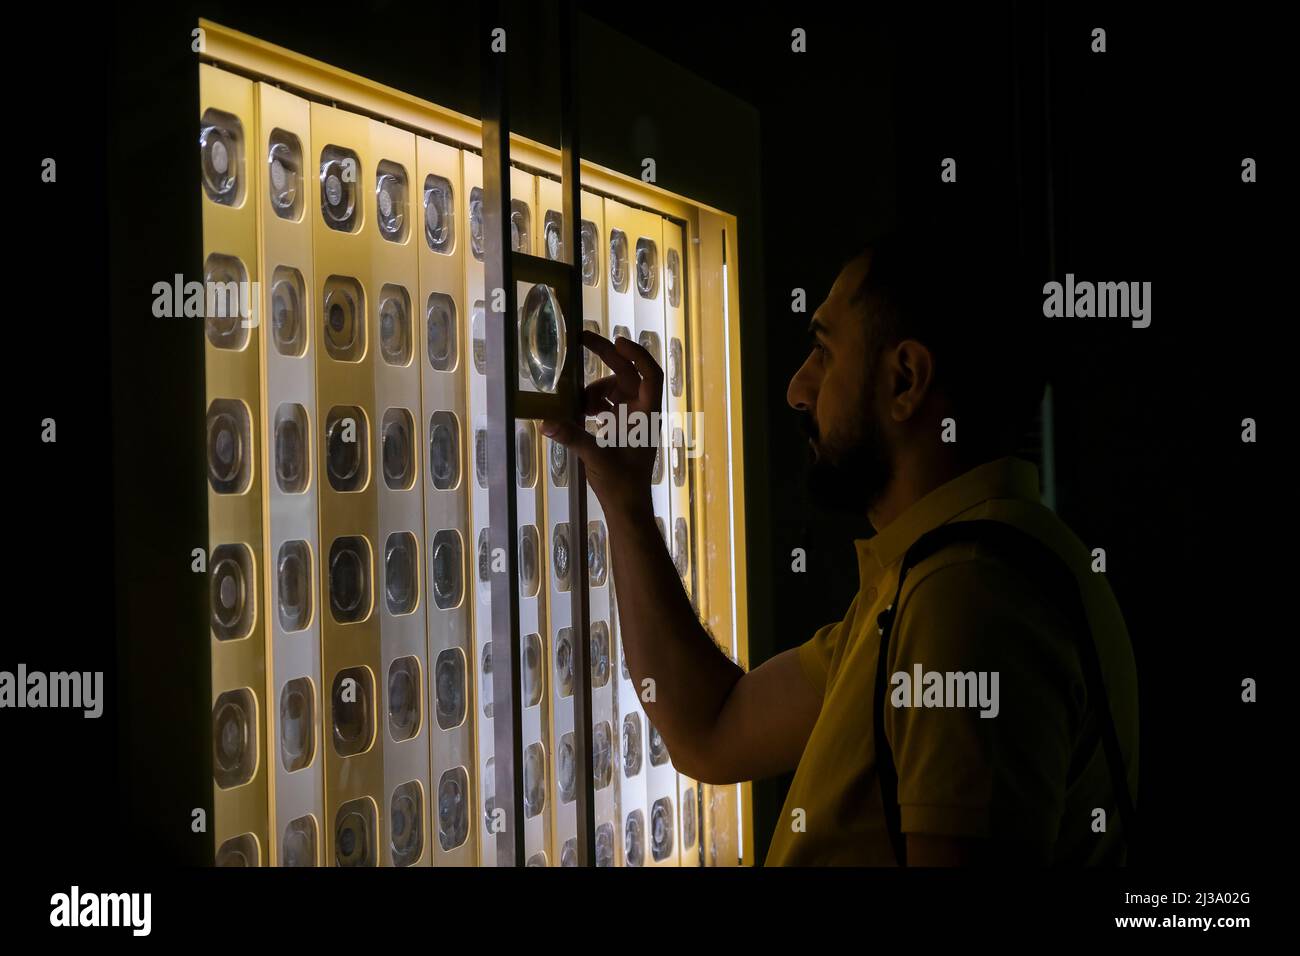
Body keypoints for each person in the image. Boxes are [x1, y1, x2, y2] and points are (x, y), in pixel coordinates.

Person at [541, 226, 1138, 866]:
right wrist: (627, 500)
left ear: (906, 379)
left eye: (823, 352)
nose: (798, 389)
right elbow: (713, 726)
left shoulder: (966, 600)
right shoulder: (943, 574)